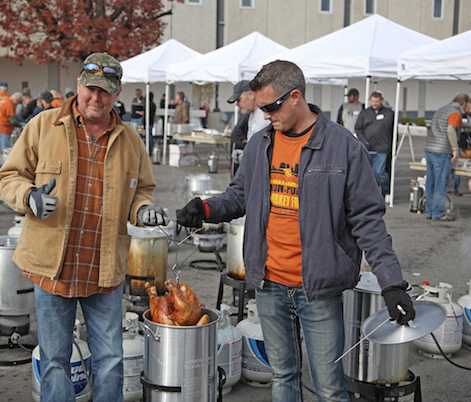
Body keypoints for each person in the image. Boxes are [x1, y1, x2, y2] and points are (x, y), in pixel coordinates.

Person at [176, 60, 415, 402]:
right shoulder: (261, 144)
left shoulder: (344, 148)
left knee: (330, 388)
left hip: (317, 289)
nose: (265, 115)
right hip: (269, 285)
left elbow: (368, 221)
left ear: (295, 97)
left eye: (270, 107)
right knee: (283, 376)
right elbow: (241, 195)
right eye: (260, 108)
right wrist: (205, 208)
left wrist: (391, 283)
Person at [0, 52, 167, 402]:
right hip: (52, 267)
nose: (96, 98)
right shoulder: (44, 125)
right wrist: (28, 196)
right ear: (78, 86)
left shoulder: (131, 141)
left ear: (117, 93)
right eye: (90, 89)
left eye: (105, 92)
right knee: (56, 361)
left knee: (110, 360)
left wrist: (145, 210)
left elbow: (142, 191)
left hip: (103, 270)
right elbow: (10, 176)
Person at [424, 94, 470, 221]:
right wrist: (455, 149)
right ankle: (438, 212)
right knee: (440, 182)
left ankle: (430, 210)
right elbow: (451, 130)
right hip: (443, 150)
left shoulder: (442, 109)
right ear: (464, 104)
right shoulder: (455, 113)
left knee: (431, 182)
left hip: (430, 149)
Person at [355, 91, 394, 201]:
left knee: (379, 171)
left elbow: (393, 130)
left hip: (382, 147)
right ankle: (373, 193)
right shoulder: (364, 113)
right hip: (368, 147)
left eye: (377, 101)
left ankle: (386, 191)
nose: (375, 103)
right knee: (369, 173)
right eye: (372, 101)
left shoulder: (389, 113)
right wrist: (363, 141)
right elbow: (358, 128)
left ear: (381, 100)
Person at [226, 80, 270, 177]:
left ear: (251, 95)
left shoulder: (264, 117)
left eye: (239, 100)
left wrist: (249, 157)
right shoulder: (251, 115)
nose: (237, 104)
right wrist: (245, 153)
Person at [0, 91, 22, 169]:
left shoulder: (4, 101)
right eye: (18, 103)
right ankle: (4, 169)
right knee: (5, 152)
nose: (17, 105)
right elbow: (12, 120)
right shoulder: (9, 104)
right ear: (17, 100)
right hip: (4, 129)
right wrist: (20, 125)